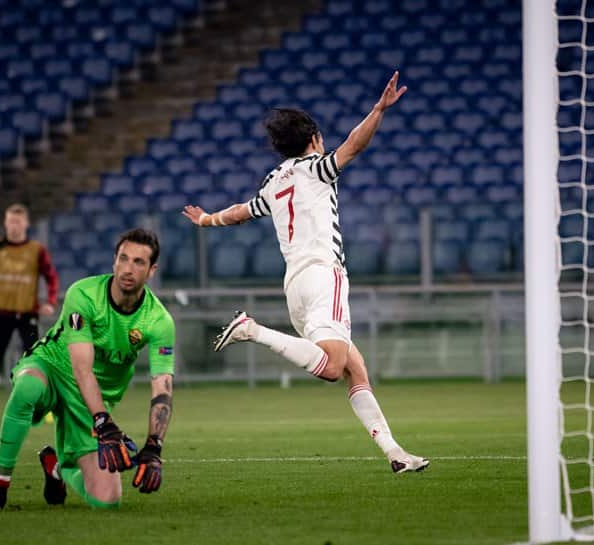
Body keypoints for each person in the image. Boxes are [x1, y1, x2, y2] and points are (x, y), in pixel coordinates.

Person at [181, 72, 428, 473]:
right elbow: (355, 145)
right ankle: (251, 329)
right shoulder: (315, 167)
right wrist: (378, 110)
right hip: (322, 275)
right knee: (333, 367)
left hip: (295, 286)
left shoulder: (273, 181)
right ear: (313, 138)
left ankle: (395, 454)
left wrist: (207, 219)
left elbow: (242, 212)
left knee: (354, 368)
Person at [0, 228, 175, 510]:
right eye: (123, 259)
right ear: (114, 260)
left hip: (93, 396)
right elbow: (81, 369)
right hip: (53, 367)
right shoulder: (84, 294)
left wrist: (154, 446)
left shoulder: (159, 320)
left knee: (108, 501)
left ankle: (58, 467)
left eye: (138, 262)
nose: (128, 268)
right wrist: (104, 422)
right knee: (28, 387)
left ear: (152, 270)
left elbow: (162, 388)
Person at [0, 203, 60, 425]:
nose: (14, 226)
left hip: (27, 313)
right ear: (5, 223)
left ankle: (47, 409)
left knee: (37, 361)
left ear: (26, 223)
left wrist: (51, 301)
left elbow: (51, 276)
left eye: (18, 221)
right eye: (10, 221)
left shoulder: (36, 250)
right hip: (1, 312)